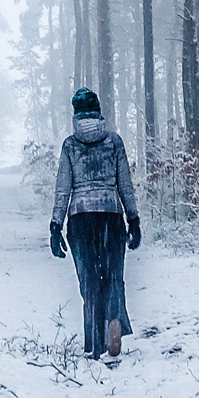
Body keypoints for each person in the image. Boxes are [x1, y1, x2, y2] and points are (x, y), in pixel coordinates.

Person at [49, 87, 141, 360]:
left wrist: (56, 226)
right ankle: (113, 324)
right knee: (113, 276)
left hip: (80, 219)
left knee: (88, 281)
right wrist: (133, 219)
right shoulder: (114, 142)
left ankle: (94, 342)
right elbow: (125, 184)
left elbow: (63, 189)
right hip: (111, 217)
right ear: (98, 112)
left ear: (76, 115)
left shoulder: (70, 146)